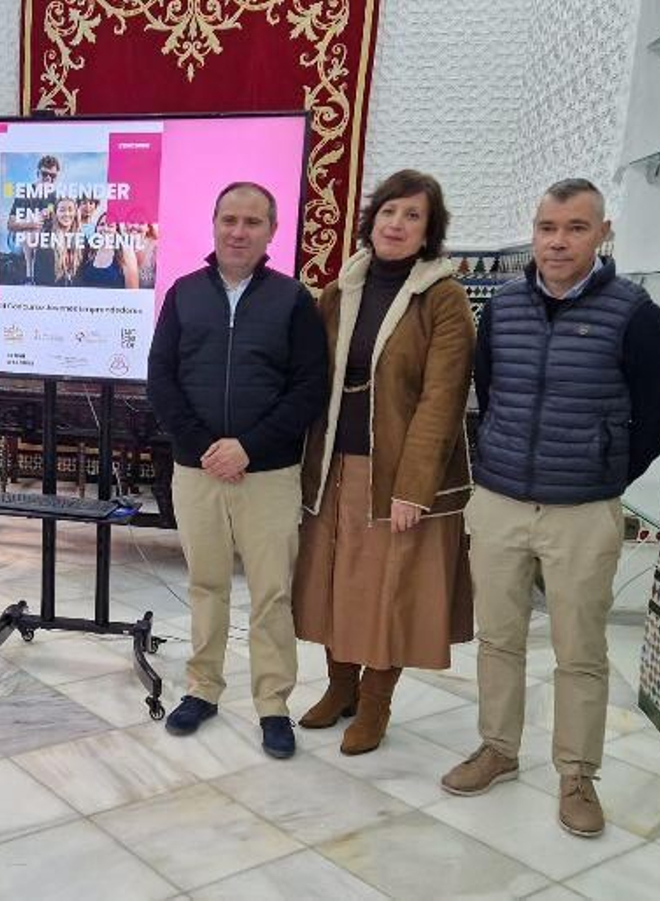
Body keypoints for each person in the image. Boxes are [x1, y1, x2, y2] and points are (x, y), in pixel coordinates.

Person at [440, 178, 660, 838]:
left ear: (603, 234)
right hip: (501, 500)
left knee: (579, 648)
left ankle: (577, 773)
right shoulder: (506, 307)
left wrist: (602, 471)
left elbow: (656, 415)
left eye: (575, 227)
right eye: (548, 226)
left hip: (582, 510)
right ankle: (498, 747)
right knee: (499, 635)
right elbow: (488, 390)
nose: (557, 240)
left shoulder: (636, 315)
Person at [292, 170, 474, 756]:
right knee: (329, 584)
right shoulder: (340, 289)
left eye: (413, 216)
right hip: (333, 467)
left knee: (387, 591)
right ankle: (339, 687)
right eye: (389, 212)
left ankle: (375, 704)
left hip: (394, 476)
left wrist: (413, 488)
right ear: (372, 219)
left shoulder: (442, 298)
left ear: (429, 232)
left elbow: (442, 400)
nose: (397, 224)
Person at [146, 182, 329, 759]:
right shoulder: (182, 295)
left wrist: (248, 446)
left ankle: (273, 704)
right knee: (206, 584)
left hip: (268, 474)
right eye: (229, 219)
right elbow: (161, 379)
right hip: (197, 471)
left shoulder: (293, 299)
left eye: (253, 221)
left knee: (272, 592)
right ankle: (202, 689)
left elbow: (309, 388)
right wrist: (205, 446)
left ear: (272, 231)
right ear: (214, 223)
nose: (239, 231)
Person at [5, 155, 62, 284]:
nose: (48, 178)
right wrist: (32, 223)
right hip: (19, 242)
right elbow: (10, 224)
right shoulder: (25, 193)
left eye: (53, 176)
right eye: (44, 174)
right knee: (34, 218)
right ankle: (29, 276)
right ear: (38, 173)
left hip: (42, 240)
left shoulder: (54, 196)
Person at [78, 213, 141, 290]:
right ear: (96, 228)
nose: (105, 228)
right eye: (101, 224)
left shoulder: (126, 252)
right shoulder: (90, 252)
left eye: (110, 226)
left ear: (116, 230)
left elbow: (133, 292)